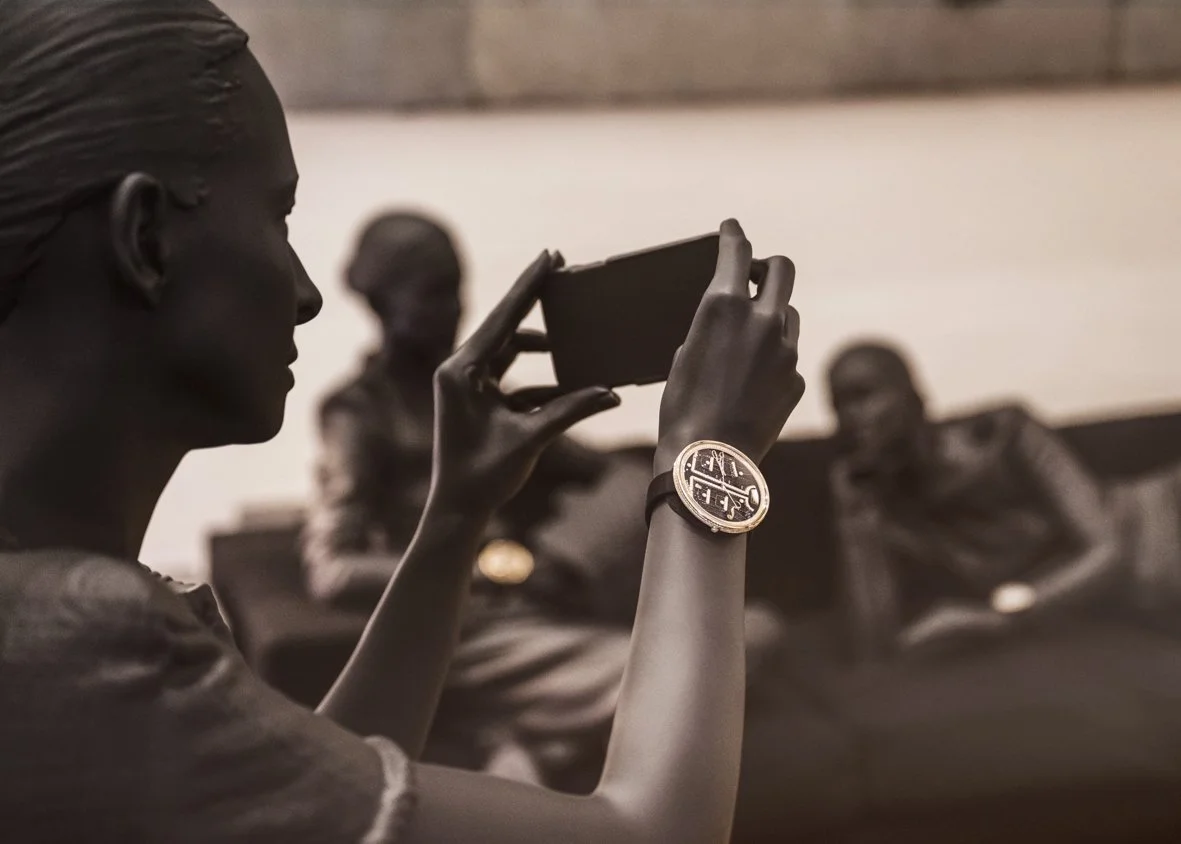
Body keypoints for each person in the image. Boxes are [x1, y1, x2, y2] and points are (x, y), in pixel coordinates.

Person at [0, 3, 806, 842]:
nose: (307, 293)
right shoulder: (82, 641)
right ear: (146, 239)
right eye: (277, 218)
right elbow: (658, 835)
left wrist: (454, 517)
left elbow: (303, 797)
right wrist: (705, 456)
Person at [302, 210, 607, 609]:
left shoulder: (476, 395)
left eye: (456, 290)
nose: (453, 310)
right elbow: (334, 572)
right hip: (452, 619)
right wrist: (504, 571)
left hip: (524, 606)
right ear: (382, 303)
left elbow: (601, 471)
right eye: (433, 293)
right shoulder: (358, 412)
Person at [826, 340, 1181, 663]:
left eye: (864, 395)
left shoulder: (1004, 434)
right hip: (1131, 598)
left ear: (913, 398)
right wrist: (853, 520)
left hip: (1153, 521)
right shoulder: (887, 513)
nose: (851, 417)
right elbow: (873, 650)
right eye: (838, 405)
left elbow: (1109, 550)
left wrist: (999, 616)